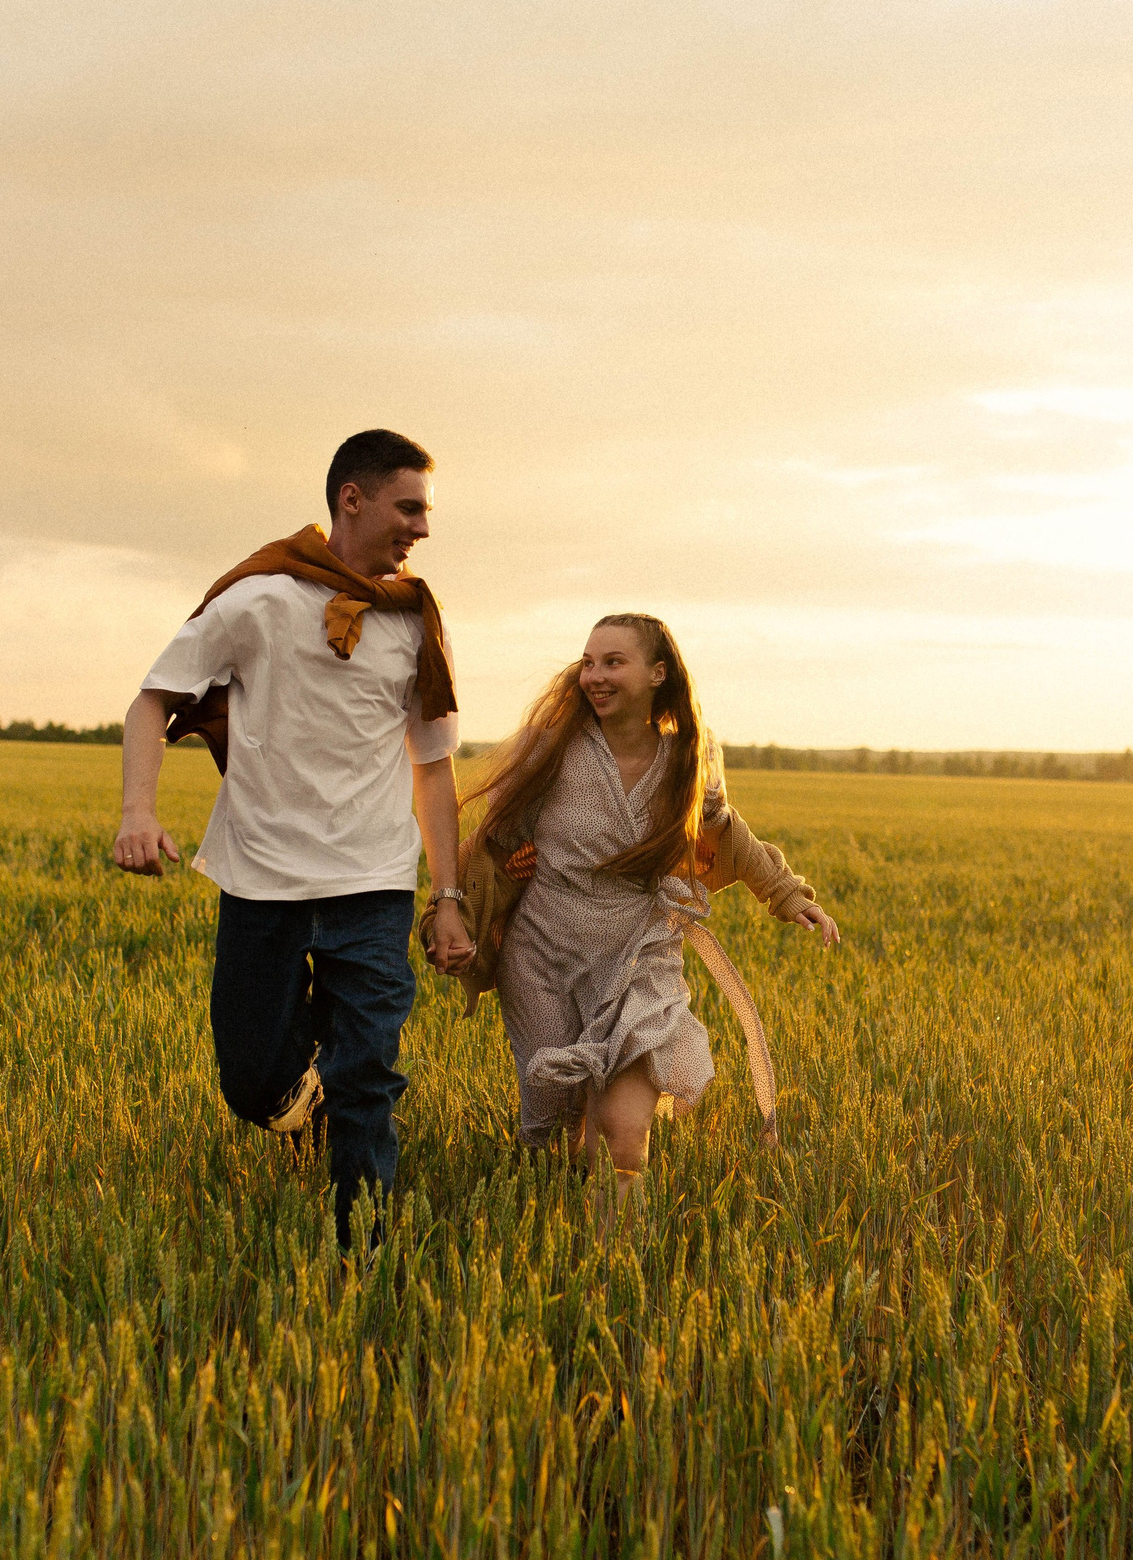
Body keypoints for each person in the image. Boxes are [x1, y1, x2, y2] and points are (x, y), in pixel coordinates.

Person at [112, 429, 474, 1246]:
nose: (422, 528)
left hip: (374, 882)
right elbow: (152, 700)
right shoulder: (258, 599)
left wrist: (446, 896)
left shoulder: (417, 622)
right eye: (409, 507)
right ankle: (304, 1103)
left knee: (368, 1074)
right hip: (262, 880)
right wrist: (139, 813)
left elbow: (434, 769)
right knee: (249, 1078)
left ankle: (365, 1257)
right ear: (353, 498)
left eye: (426, 511)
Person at [453, 614, 836, 1218]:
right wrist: (452, 914)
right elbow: (492, 840)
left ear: (658, 674)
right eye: (588, 662)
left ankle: (613, 1270)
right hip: (544, 953)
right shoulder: (550, 748)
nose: (595, 676)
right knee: (553, 1119)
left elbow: (724, 832)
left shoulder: (690, 756)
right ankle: (542, 1225)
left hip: (640, 954)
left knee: (624, 1133)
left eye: (613, 662)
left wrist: (786, 894)